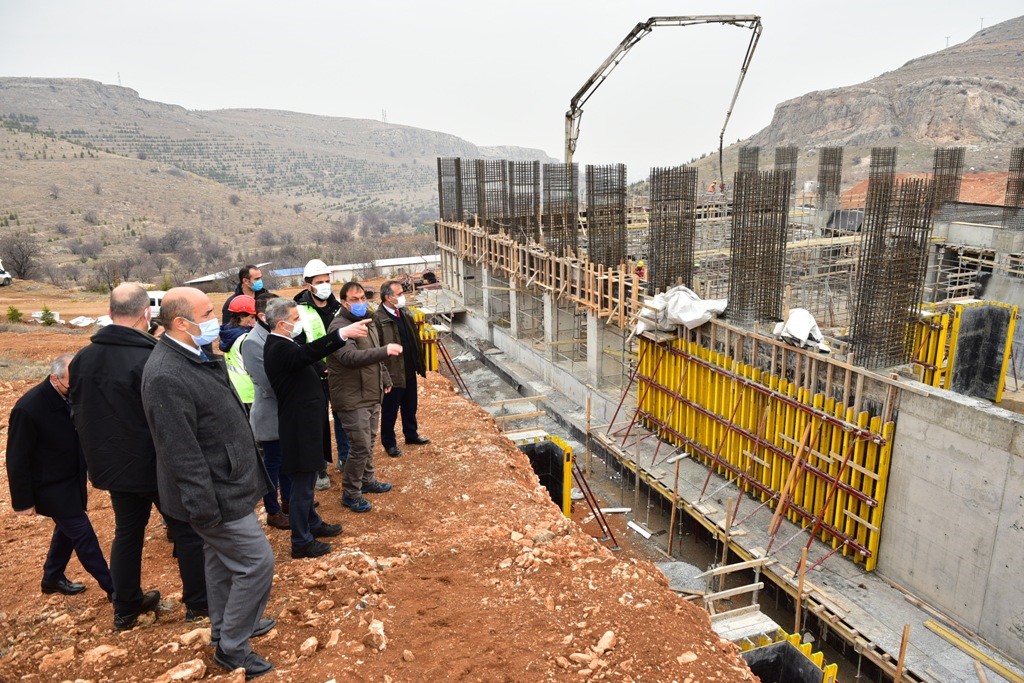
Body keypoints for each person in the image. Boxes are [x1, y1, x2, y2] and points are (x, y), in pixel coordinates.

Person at [141, 287, 276, 679]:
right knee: (256, 563)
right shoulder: (166, 373)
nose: (215, 318)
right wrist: (204, 509)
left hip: (227, 482)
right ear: (181, 323)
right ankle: (233, 648)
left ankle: (226, 627)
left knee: (219, 563)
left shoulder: (193, 354)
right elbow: (180, 452)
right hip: (214, 494)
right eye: (206, 313)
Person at [70, 283, 207, 631]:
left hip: (113, 467)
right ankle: (199, 604)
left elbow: (78, 413)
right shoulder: (150, 358)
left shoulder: (83, 358)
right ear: (147, 313)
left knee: (127, 533)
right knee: (186, 529)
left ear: (110, 311)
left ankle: (126, 606)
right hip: (155, 465)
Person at [262, 298, 370, 558]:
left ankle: (312, 523)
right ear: (281, 323)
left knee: (308, 477)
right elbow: (305, 355)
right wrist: (341, 334)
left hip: (308, 422)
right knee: (303, 484)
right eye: (295, 318)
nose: (299, 323)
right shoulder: (278, 347)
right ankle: (301, 541)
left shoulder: (287, 342)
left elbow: (308, 358)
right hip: (298, 426)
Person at [6, 354, 114, 599]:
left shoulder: (70, 395)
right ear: (55, 379)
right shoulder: (28, 408)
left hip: (70, 479)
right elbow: (16, 459)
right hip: (49, 486)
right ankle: (116, 589)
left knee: (67, 531)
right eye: (71, 383)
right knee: (83, 534)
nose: (77, 388)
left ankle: (52, 577)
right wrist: (22, 501)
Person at [327, 282, 402, 514]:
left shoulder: (368, 321)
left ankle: (367, 480)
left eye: (363, 297)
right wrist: (385, 350)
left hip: (370, 392)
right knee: (359, 446)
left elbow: (376, 357)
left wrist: (385, 378)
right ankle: (351, 493)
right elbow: (349, 357)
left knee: (368, 441)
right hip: (351, 397)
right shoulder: (338, 327)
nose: (361, 302)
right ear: (344, 302)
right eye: (355, 299)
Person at [294, 258, 349, 490]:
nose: (325, 285)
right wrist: (318, 367)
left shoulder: (338, 307)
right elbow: (297, 344)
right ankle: (319, 468)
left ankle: (345, 459)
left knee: (343, 416)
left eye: (328, 281)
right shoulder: (298, 310)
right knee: (316, 423)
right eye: (320, 282)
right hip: (313, 375)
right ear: (308, 285)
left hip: (340, 372)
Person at [240, 294, 291, 530]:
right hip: (271, 412)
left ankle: (290, 501)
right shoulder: (252, 342)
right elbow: (268, 382)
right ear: (263, 315)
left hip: (287, 409)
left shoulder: (280, 333)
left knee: (287, 460)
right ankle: (273, 510)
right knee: (272, 463)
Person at [374, 279, 429, 457]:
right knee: (390, 410)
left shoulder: (403, 313)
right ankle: (389, 443)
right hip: (392, 372)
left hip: (409, 368)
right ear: (388, 297)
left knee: (410, 405)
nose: (402, 297)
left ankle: (411, 434)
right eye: (398, 294)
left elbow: (413, 339)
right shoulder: (378, 319)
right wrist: (383, 376)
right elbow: (377, 349)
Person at [220, 294, 257, 409]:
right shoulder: (245, 338)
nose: (254, 320)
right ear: (241, 317)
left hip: (235, 387)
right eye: (251, 317)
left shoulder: (228, 333)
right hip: (250, 390)